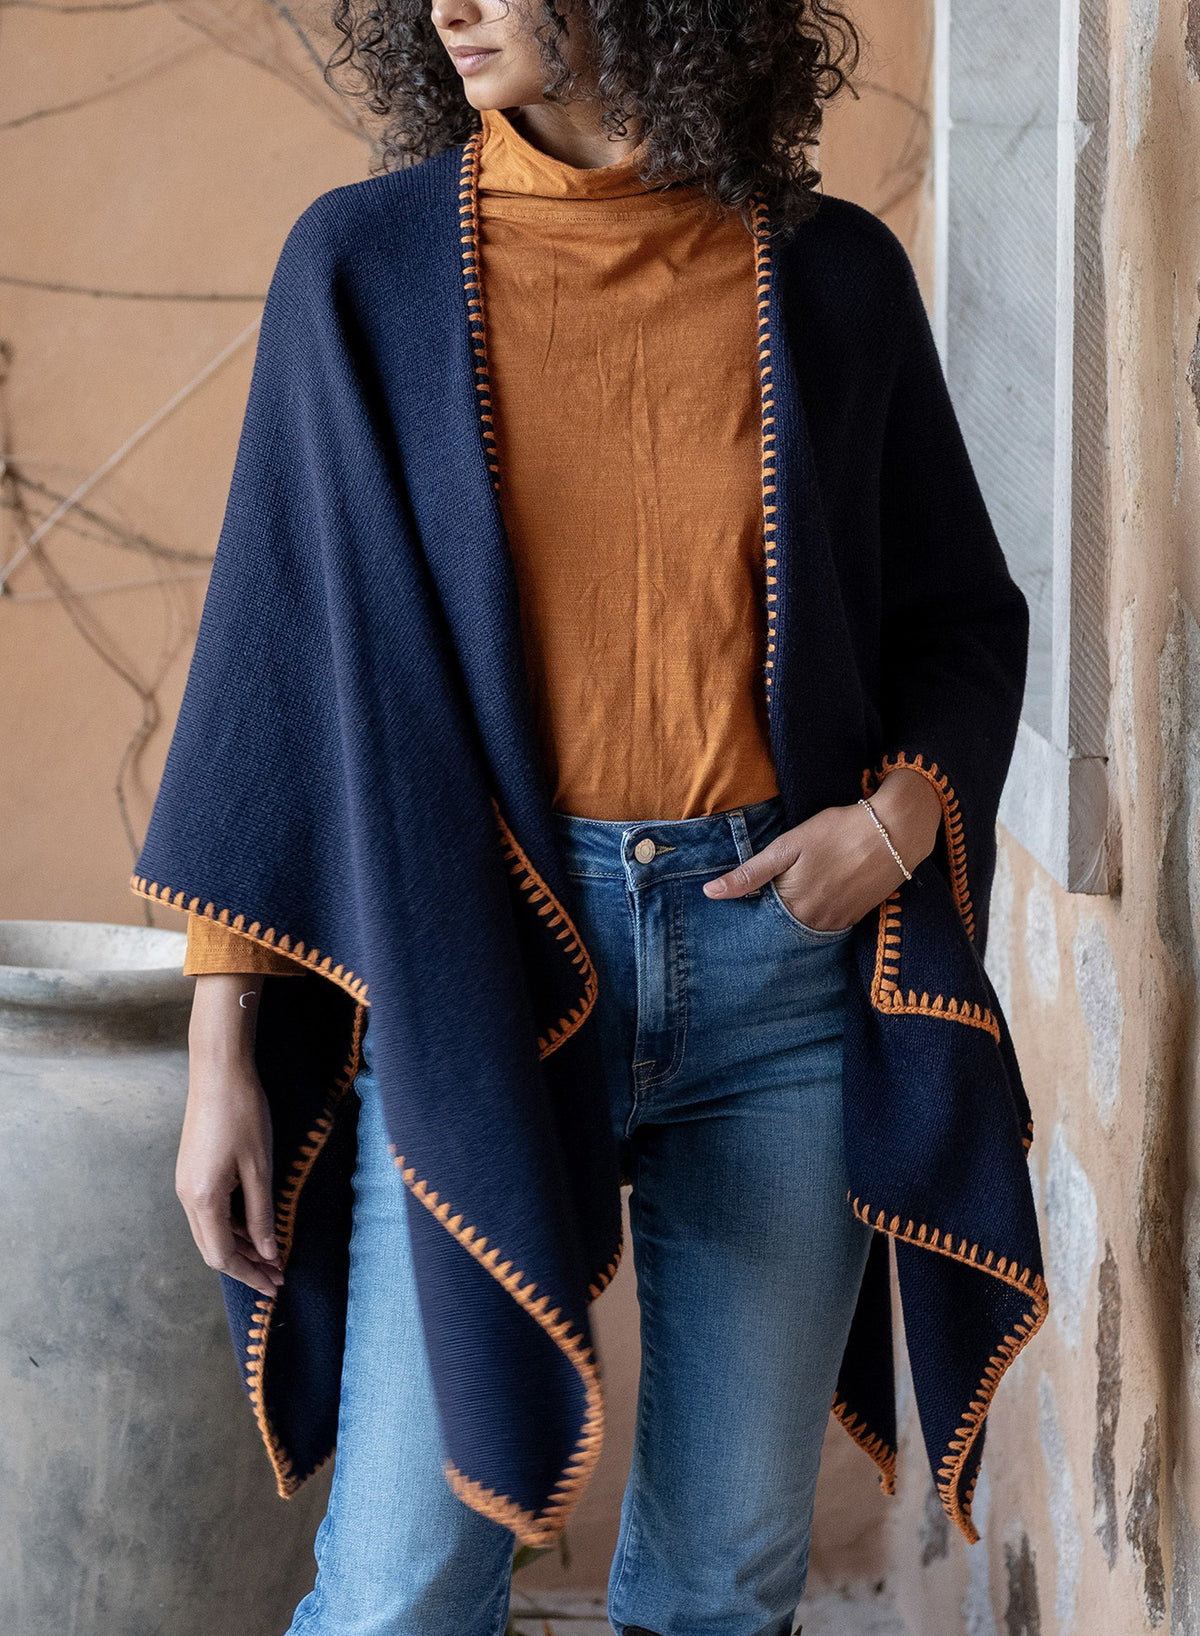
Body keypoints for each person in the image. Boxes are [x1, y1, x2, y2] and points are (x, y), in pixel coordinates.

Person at [139, 3, 1040, 1634]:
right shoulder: (362, 270)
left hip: (784, 970)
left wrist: (896, 827)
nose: (450, 6)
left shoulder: (828, 278)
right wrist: (222, 1067)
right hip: (474, 960)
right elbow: (275, 673)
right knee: (407, 1579)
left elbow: (962, 623)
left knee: (723, 1581)